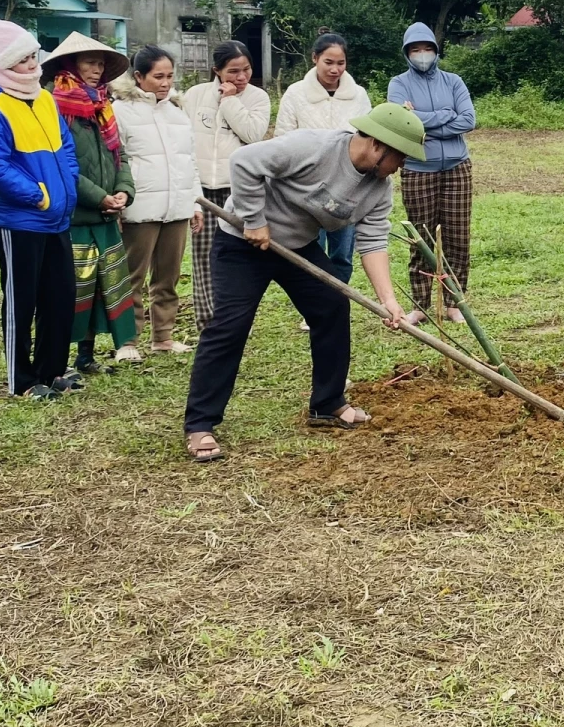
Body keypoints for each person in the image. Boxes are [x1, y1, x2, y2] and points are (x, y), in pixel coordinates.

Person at [181, 103, 423, 463]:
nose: (401, 167)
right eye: (400, 158)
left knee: (332, 304)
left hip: (296, 245)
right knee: (230, 325)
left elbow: (372, 243)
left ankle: (327, 403)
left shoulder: (379, 189)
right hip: (242, 242)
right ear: (377, 145)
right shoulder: (313, 147)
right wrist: (254, 219)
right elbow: (245, 162)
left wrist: (388, 300)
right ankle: (200, 423)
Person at [0, 14, 82, 400]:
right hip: (19, 218)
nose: (32, 65)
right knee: (23, 299)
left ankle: (52, 371)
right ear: (2, 64)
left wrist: (66, 186)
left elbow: (66, 149)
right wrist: (39, 195)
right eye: (22, 60)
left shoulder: (45, 98)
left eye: (34, 56)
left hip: (57, 216)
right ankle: (21, 380)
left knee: (60, 294)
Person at [43, 33, 138, 372]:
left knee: (103, 286)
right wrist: (100, 198)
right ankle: (59, 359)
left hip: (107, 216)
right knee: (73, 287)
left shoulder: (102, 104)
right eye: (89, 62)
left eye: (100, 63)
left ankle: (87, 355)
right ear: (71, 65)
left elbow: (119, 154)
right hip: (76, 215)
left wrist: (124, 190)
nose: (96, 70)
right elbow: (61, 164)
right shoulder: (55, 106)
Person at [112, 46, 204, 355]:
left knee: (168, 277)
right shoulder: (120, 111)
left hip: (176, 205)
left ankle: (163, 336)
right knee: (132, 277)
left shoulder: (177, 112)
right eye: (158, 76)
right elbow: (117, 159)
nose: (165, 83)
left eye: (169, 76)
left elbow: (188, 160)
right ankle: (127, 340)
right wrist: (120, 204)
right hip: (140, 207)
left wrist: (195, 201)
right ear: (139, 76)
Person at [386, 23, 476, 324]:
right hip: (417, 168)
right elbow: (400, 123)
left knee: (457, 236)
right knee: (421, 237)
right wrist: (444, 117)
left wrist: (422, 122)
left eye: (427, 49)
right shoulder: (398, 84)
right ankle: (421, 304)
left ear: (436, 51)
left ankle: (454, 302)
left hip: (457, 167)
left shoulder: (453, 82)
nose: (422, 54)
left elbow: (468, 120)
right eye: (415, 50)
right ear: (407, 53)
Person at [182, 41, 271, 333]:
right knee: (203, 255)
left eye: (246, 70)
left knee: (236, 256)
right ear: (216, 71)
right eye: (233, 71)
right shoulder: (194, 96)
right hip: (203, 189)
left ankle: (232, 318)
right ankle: (208, 321)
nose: (241, 77)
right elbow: (184, 140)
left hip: (238, 189)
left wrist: (230, 100)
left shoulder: (258, 98)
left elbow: (253, 134)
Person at [273, 32, 371, 289]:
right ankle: (313, 306)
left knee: (341, 253)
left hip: (347, 187)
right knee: (310, 250)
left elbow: (368, 141)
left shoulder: (358, 96)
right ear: (314, 58)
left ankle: (337, 301)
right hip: (305, 187)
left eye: (341, 63)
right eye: (329, 62)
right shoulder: (295, 94)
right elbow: (282, 139)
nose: (335, 69)